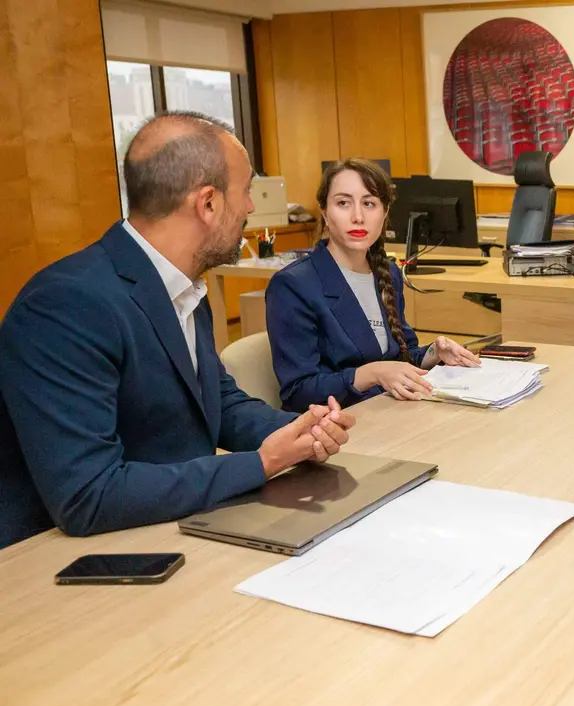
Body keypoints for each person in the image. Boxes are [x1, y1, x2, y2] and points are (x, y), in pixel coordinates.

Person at [0, 111, 355, 550]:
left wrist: (300, 430)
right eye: (245, 192)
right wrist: (261, 463)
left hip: (177, 527)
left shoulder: (182, 283)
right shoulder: (65, 305)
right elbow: (88, 495)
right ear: (207, 203)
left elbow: (215, 403)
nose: (249, 207)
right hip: (69, 561)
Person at [265, 158, 479, 411]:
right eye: (343, 203)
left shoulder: (388, 272)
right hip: (336, 426)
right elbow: (298, 393)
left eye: (369, 203)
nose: (358, 217)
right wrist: (371, 374)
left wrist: (435, 353)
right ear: (323, 210)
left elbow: (401, 356)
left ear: (385, 212)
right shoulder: (293, 285)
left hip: (391, 412)